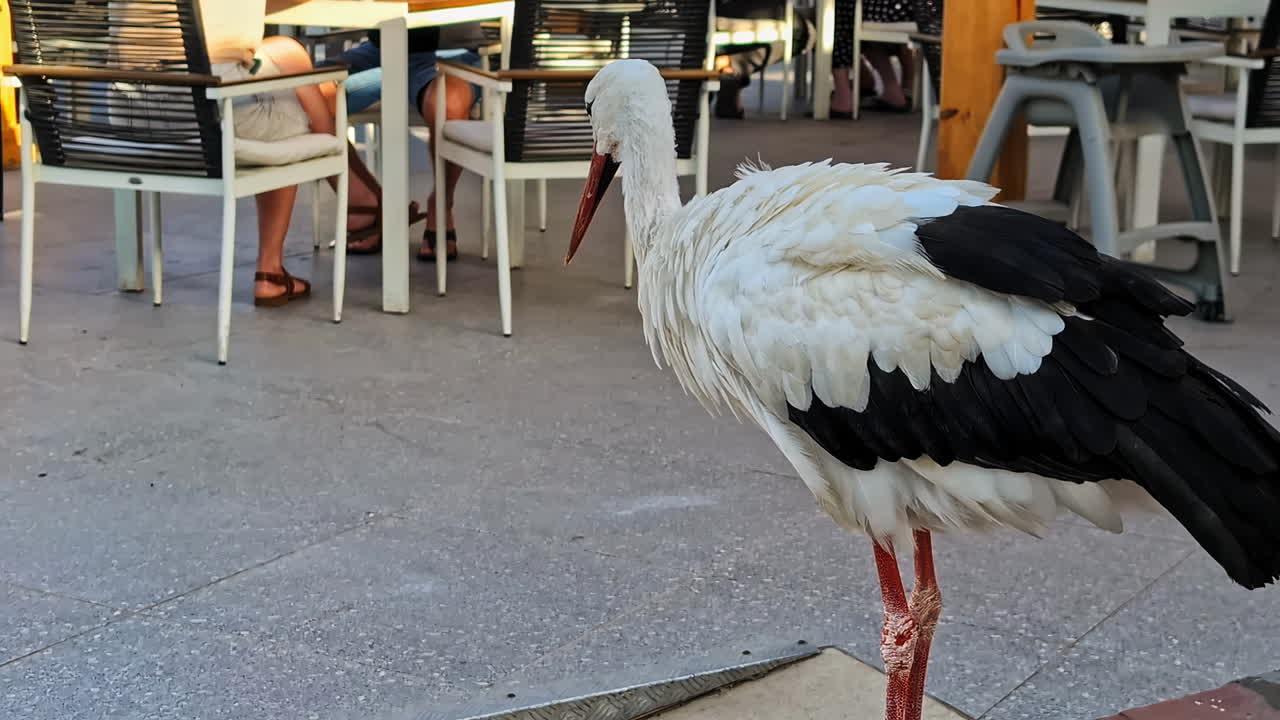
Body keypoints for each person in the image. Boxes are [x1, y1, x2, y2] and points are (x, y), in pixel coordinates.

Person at [113, 0, 344, 305]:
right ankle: (271, 269)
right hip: (209, 113)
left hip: (134, 115)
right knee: (304, 94)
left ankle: (361, 203)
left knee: (287, 53)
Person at [317, 26, 486, 262]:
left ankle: (442, 203)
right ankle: (367, 200)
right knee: (300, 95)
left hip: (450, 50)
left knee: (447, 103)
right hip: (380, 49)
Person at [832, 0, 914, 116]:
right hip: (921, 12)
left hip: (889, 11)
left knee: (833, 15)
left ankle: (843, 98)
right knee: (860, 18)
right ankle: (892, 91)